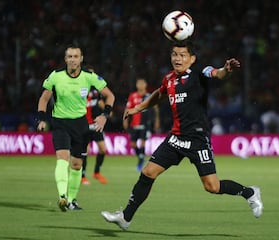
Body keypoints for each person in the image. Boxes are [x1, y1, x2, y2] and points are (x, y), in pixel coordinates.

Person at [101, 41, 263, 230]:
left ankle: (250, 192)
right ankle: (126, 217)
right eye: (174, 54)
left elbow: (217, 73)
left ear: (192, 58)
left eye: (182, 55)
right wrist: (137, 108)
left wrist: (226, 70)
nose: (177, 58)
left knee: (212, 186)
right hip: (176, 138)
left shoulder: (199, 72)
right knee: (148, 172)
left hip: (197, 140)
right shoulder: (169, 78)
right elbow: (158, 95)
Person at [37, 44, 115, 211]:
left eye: (75, 56)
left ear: (81, 59)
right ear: (65, 59)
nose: (72, 59)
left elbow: (110, 96)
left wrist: (104, 115)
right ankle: (62, 196)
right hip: (60, 123)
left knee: (77, 165)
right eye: (69, 57)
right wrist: (42, 119)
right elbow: (44, 99)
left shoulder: (89, 76)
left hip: (80, 125)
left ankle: (72, 200)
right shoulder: (56, 76)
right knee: (62, 158)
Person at [123, 78, 160, 171]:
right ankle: (141, 157)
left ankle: (140, 161)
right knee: (133, 144)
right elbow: (127, 109)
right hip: (134, 124)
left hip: (145, 123)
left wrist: (156, 121)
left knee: (143, 142)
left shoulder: (149, 96)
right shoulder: (132, 96)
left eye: (142, 83)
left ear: (145, 85)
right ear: (136, 85)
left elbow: (156, 109)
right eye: (138, 83)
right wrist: (125, 120)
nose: (140, 85)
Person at [81, 85, 110, 185]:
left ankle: (97, 172)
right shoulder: (79, 91)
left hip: (95, 125)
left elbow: (100, 102)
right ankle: (82, 176)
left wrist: (107, 111)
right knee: (85, 151)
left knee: (103, 149)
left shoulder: (95, 93)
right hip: (84, 125)